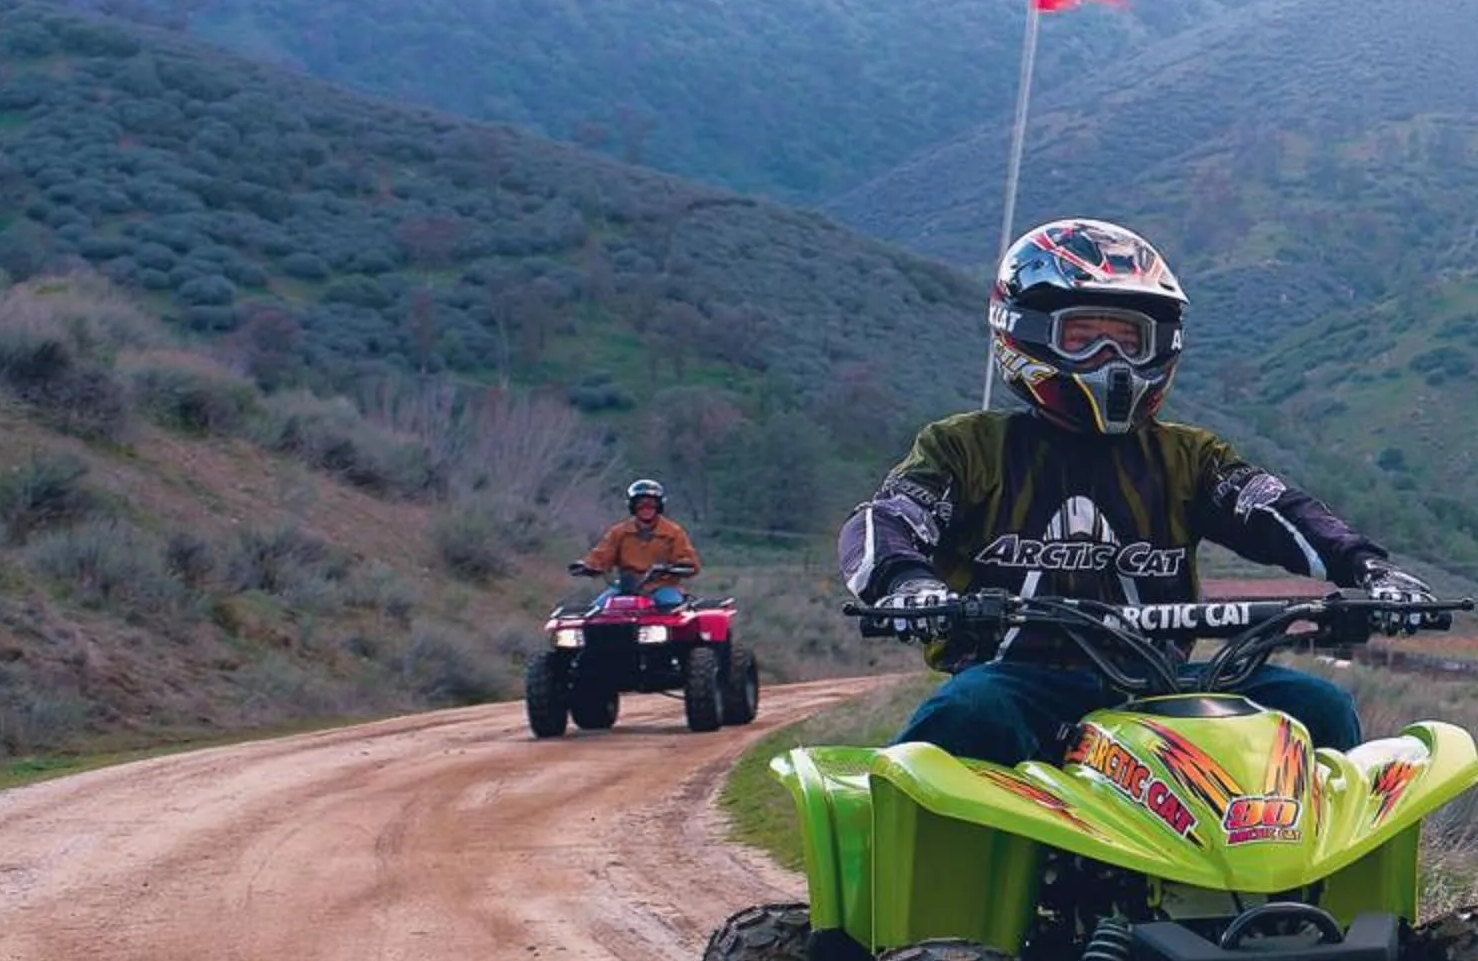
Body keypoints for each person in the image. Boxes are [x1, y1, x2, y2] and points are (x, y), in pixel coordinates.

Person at [837, 217, 1430, 766]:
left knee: (1319, 709)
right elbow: (887, 519)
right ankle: (916, 876)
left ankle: (1311, 879)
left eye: (1128, 339)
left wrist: (1369, 569)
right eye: (1084, 336)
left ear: (1162, 346)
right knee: (966, 715)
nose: (1110, 359)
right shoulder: (964, 447)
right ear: (1025, 333)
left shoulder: (1189, 456)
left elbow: (1273, 508)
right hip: (1019, 679)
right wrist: (905, 583)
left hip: (1164, 683)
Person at [575, 478, 701, 606]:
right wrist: (587, 566)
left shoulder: (673, 532)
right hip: (626, 587)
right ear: (632, 506)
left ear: (659, 506)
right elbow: (602, 555)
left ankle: (666, 626)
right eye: (640, 504)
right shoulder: (619, 532)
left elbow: (688, 561)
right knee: (599, 608)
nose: (646, 508)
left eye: (651, 504)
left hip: (661, 586)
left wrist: (674, 568)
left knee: (672, 604)